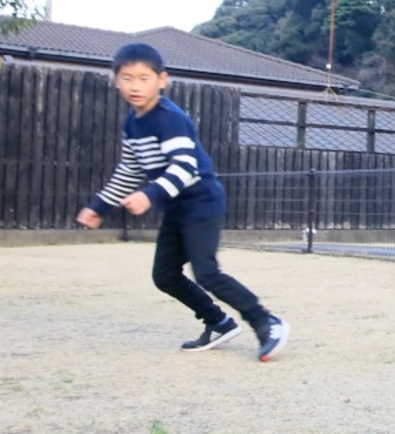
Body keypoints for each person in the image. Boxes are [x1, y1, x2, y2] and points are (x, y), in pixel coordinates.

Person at [76, 43, 290, 361]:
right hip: (175, 207)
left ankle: (266, 322)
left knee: (206, 273)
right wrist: (98, 207)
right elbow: (129, 170)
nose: (135, 86)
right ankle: (218, 322)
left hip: (201, 201)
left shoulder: (169, 118)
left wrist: (150, 195)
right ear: (116, 81)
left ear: (162, 80)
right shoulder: (132, 124)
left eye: (144, 78)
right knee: (165, 275)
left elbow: (185, 167)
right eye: (127, 78)